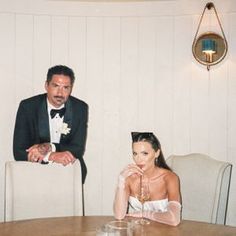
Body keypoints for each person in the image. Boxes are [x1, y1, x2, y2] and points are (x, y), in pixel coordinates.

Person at [13, 65, 88, 183]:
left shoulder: (80, 108)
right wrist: (51, 156)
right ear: (46, 85)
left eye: (66, 88)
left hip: (68, 172)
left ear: (71, 89)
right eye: (55, 86)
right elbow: (18, 152)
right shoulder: (28, 107)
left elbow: (78, 149)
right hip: (35, 173)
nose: (60, 93)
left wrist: (50, 147)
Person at [113, 132, 181, 226]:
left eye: (144, 153)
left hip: (165, 231)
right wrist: (121, 182)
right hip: (139, 230)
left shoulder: (169, 178)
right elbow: (119, 216)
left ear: (157, 153)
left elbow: (174, 219)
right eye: (135, 153)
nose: (138, 159)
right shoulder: (130, 179)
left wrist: (144, 214)